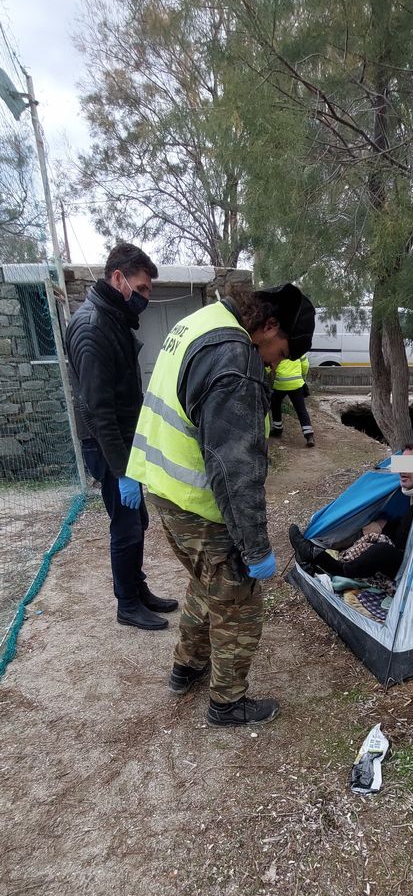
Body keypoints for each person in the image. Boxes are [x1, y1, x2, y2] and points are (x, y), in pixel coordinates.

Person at [126, 282, 316, 727]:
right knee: (238, 601)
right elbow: (235, 470)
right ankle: (227, 704)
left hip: (165, 489)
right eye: (283, 350)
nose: (280, 363)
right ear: (268, 325)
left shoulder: (203, 320)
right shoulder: (236, 359)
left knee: (205, 583)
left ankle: (186, 667)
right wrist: (255, 548)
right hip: (200, 502)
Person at [66, 243, 178, 631]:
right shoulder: (92, 327)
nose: (146, 297)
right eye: (143, 288)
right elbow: (97, 410)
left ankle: (137, 588)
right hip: (107, 444)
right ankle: (126, 604)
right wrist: (122, 470)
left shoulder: (112, 318)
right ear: (118, 279)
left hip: (123, 443)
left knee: (137, 521)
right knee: (126, 526)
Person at [289, 442, 413, 579]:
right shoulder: (407, 496)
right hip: (395, 546)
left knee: (383, 551)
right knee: (378, 526)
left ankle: (325, 561)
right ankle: (317, 551)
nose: (403, 470)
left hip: (411, 568)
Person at [269, 351, 315, 446]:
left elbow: (268, 366)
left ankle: (277, 429)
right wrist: (303, 377)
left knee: (275, 405)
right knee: (301, 409)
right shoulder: (297, 349)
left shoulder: (277, 349)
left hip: (280, 384)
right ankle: (309, 436)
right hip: (296, 384)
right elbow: (305, 365)